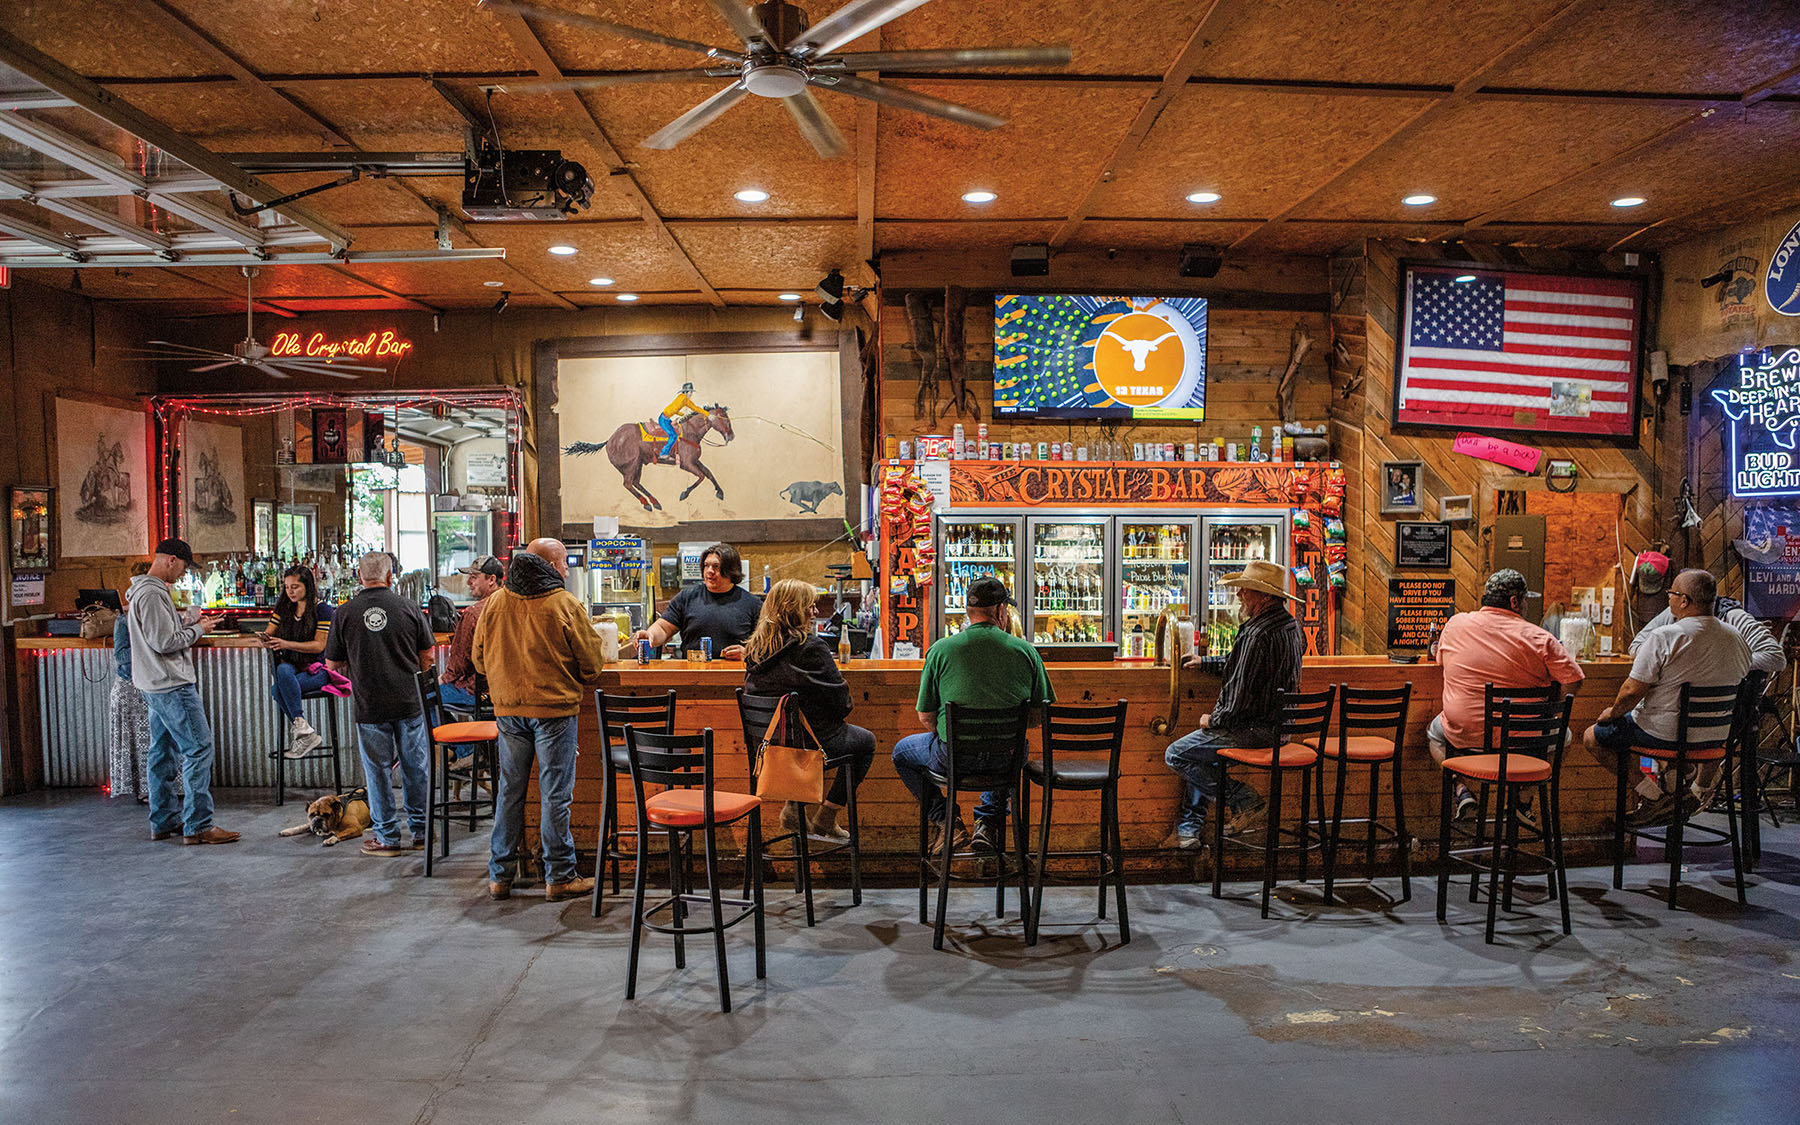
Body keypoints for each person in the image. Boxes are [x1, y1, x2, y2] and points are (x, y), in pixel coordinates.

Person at [473, 537, 607, 902]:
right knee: (555, 796)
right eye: (563, 563)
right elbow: (593, 666)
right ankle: (560, 876)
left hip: (508, 712)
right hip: (554, 712)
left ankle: (499, 876)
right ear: (549, 566)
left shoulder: (496, 601)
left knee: (509, 793)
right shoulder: (563, 603)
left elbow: (479, 659)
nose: (566, 569)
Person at [892, 576, 1053, 853]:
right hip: (1005, 762)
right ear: (1002, 611)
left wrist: (955, 733)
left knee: (902, 753)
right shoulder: (1026, 651)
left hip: (953, 759)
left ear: (968, 611)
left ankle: (948, 822)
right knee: (1015, 748)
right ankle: (987, 823)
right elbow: (1039, 716)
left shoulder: (941, 650)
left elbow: (926, 718)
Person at [1582, 568, 1751, 827]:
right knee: (1669, 732)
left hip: (1664, 736)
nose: (1668, 598)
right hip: (1715, 739)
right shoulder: (1737, 638)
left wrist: (1612, 713)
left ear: (1684, 601)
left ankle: (1653, 796)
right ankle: (1688, 792)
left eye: (1671, 593)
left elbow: (1631, 692)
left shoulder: (1664, 637)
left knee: (1593, 736)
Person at [1162, 559, 1305, 850]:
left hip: (1253, 730)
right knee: (1201, 753)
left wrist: (1213, 720)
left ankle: (1244, 800)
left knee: (1177, 754)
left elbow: (1240, 696)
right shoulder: (1290, 627)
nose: (1239, 594)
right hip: (1280, 728)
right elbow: (1245, 666)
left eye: (1246, 590)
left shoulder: (1256, 633)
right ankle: (1188, 831)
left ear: (1264, 596)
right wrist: (1206, 662)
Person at [1429, 568, 1586, 820]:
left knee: (1434, 734)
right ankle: (1522, 800)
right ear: (1515, 602)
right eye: (1525, 600)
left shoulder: (1455, 625)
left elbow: (1439, 660)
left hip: (1465, 738)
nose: (1526, 606)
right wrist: (1548, 711)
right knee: (1563, 736)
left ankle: (1462, 790)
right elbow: (1574, 680)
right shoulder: (1539, 638)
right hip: (1525, 742)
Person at [743, 578, 876, 842]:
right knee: (866, 742)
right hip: (809, 748)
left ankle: (794, 806)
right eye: (810, 607)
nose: (815, 612)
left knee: (798, 737)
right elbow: (842, 705)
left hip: (768, 751)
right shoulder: (812, 648)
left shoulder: (754, 651)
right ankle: (827, 814)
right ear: (793, 610)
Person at [324, 552, 434, 858]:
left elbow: (332, 663)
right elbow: (428, 658)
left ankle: (387, 838)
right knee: (416, 769)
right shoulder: (409, 608)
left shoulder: (344, 613)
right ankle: (422, 832)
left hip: (370, 704)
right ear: (390, 577)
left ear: (360, 578)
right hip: (409, 702)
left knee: (378, 772)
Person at [128, 538, 237, 845]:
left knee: (162, 753)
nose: (183, 573)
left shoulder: (143, 591)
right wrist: (199, 629)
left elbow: (160, 635)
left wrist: (187, 622)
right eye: (184, 566)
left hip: (153, 683)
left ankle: (162, 821)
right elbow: (164, 642)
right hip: (171, 683)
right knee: (199, 748)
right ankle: (199, 825)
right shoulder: (151, 594)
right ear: (171, 560)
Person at [633, 542, 759, 661]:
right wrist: (650, 635)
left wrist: (748, 653)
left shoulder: (752, 604)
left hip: (735, 677)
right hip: (693, 676)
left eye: (716, 566)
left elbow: (767, 646)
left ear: (731, 570)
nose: (709, 571)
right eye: (706, 565)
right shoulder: (687, 597)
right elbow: (663, 628)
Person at [262, 565, 336, 759]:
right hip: (292, 667)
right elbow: (269, 633)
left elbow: (319, 646)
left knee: (277, 689)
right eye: (287, 587)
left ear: (308, 586)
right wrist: (264, 638)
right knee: (283, 671)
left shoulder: (323, 610)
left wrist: (285, 643)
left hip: (318, 670)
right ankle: (304, 729)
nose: (290, 591)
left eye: (295, 587)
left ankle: (306, 736)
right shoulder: (284, 608)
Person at [107, 562, 158, 803]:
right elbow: (122, 658)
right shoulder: (123, 618)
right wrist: (151, 654)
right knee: (143, 742)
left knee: (154, 741)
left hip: (149, 683)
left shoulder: (153, 611)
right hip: (132, 686)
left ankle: (157, 791)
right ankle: (146, 790)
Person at [440, 555, 505, 710]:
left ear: (491, 579)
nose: (469, 582)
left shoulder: (474, 613)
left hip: (479, 693)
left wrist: (442, 678)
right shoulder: (516, 605)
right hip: (508, 691)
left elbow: (458, 664)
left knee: (422, 698)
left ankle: (453, 733)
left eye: (474, 577)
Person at [656, 380, 702, 461]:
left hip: (666, 418)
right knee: (673, 436)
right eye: (690, 392)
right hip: (664, 419)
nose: (691, 394)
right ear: (686, 392)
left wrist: (681, 415)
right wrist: (707, 414)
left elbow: (674, 409)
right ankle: (663, 454)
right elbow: (695, 408)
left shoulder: (681, 398)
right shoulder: (683, 399)